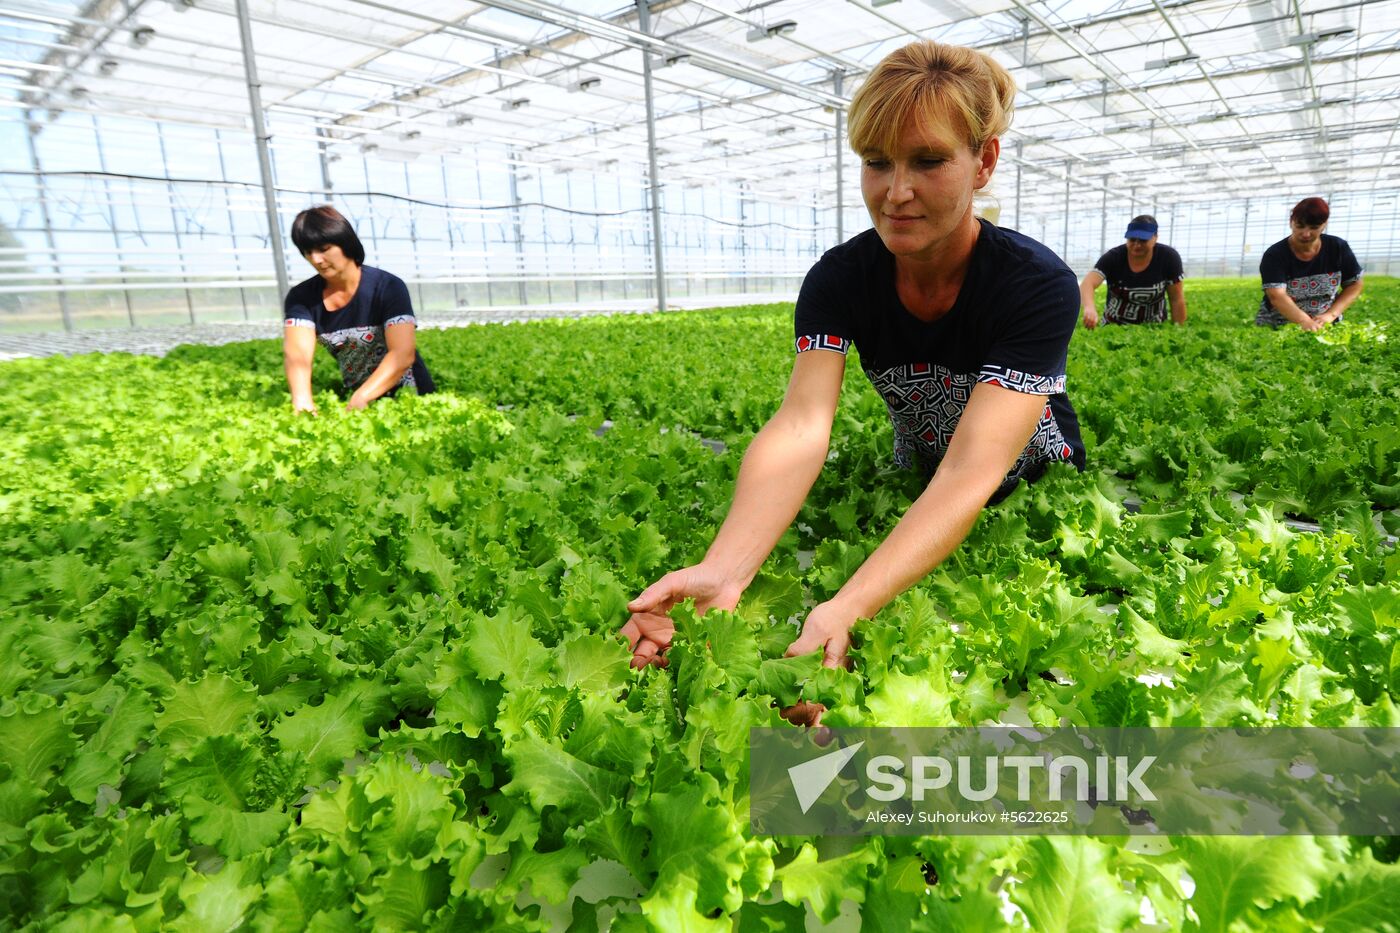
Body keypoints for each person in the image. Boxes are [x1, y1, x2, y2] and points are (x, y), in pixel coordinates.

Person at [619, 41, 1085, 690]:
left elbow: (973, 468)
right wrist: (727, 566)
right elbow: (802, 426)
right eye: (876, 163)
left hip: (1034, 473)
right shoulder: (839, 280)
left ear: (983, 162)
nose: (896, 192)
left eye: (928, 162)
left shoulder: (1035, 284)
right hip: (922, 466)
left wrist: (848, 603)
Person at [282, 205, 435, 412]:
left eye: (324, 249)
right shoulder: (302, 298)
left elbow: (402, 354)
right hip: (358, 400)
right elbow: (297, 356)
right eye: (308, 252)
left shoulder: (388, 287)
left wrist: (362, 397)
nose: (316, 259)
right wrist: (303, 405)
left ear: (345, 243)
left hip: (410, 397)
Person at [1256, 197, 1363, 331]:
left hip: (1326, 323)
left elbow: (1354, 284)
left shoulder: (1337, 248)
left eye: (1314, 227)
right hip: (1281, 325)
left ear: (1324, 224)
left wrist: (1331, 315)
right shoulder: (1275, 254)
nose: (1306, 234)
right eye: (1300, 226)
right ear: (1291, 222)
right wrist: (1304, 320)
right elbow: (1277, 295)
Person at [1079, 216, 1186, 328]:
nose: (1137, 245)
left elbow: (1176, 299)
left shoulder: (1168, 257)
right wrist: (1089, 308)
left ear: (1155, 238)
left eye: (1143, 240)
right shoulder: (1113, 257)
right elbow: (1088, 283)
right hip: (1114, 325)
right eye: (1132, 239)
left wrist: (1178, 329)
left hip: (1154, 327)